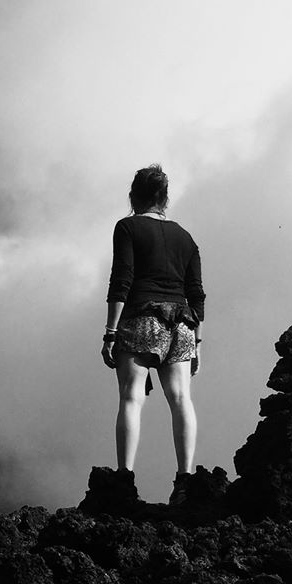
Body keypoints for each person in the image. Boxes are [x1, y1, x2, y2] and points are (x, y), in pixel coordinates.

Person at [100, 164, 205, 504]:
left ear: (134, 196)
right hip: (183, 324)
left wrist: (111, 332)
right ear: (165, 198)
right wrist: (197, 341)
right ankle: (186, 482)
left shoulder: (127, 227)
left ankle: (124, 482)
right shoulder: (186, 238)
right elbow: (196, 293)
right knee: (181, 400)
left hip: (142, 319)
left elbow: (122, 279)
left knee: (132, 398)